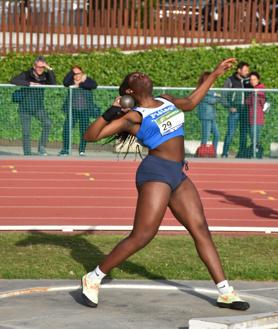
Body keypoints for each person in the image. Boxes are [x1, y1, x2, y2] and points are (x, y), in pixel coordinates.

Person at [81, 58, 250, 311]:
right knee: (143, 235)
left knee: (200, 228)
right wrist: (111, 111)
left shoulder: (167, 100)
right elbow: (90, 136)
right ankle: (93, 277)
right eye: (134, 76)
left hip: (178, 173)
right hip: (155, 172)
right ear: (129, 91)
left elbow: (192, 102)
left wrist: (214, 73)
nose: (141, 73)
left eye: (141, 71)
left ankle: (225, 292)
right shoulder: (134, 117)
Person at [11, 55, 56, 156]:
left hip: (38, 108)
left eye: (42, 67)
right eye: (39, 67)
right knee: (26, 132)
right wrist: (30, 84)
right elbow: (13, 80)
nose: (40, 69)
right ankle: (27, 153)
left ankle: (42, 148)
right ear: (34, 66)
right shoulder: (27, 74)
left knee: (48, 123)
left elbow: (53, 83)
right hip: (25, 108)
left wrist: (49, 68)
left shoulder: (45, 75)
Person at [59, 66, 98, 156]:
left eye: (78, 73)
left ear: (82, 73)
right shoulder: (70, 82)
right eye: (74, 74)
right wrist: (71, 73)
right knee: (66, 129)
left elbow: (94, 85)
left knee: (84, 130)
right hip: (72, 110)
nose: (76, 75)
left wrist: (79, 84)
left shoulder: (86, 80)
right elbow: (65, 82)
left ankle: (82, 150)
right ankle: (65, 149)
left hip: (85, 110)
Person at [221, 61, 250, 158]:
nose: (247, 72)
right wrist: (229, 107)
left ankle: (241, 153)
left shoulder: (248, 81)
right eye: (245, 70)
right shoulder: (230, 80)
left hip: (245, 111)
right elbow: (223, 96)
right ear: (239, 70)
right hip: (234, 111)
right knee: (230, 132)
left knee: (244, 133)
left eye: (248, 70)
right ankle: (224, 153)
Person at [197, 71, 220, 154]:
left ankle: (214, 152)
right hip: (205, 116)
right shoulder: (202, 90)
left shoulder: (210, 91)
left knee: (217, 134)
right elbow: (211, 100)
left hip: (212, 116)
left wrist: (216, 96)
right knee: (205, 136)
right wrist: (217, 96)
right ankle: (201, 153)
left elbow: (215, 98)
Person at [245, 71, 266, 158]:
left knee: (255, 137)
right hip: (251, 117)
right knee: (253, 137)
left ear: (258, 80)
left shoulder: (261, 88)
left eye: (254, 79)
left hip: (258, 118)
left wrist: (256, 93)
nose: (252, 81)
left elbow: (262, 100)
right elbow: (247, 102)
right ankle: (255, 153)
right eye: (251, 80)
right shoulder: (251, 90)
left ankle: (257, 153)